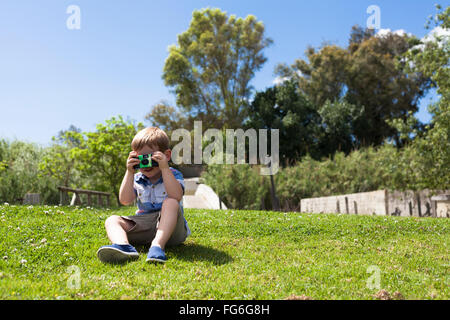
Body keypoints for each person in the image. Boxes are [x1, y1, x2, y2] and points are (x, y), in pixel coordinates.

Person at [96, 127, 190, 264]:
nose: (146, 163)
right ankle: (124, 246)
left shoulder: (173, 174)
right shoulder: (137, 178)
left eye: (152, 157)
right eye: (141, 158)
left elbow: (176, 196)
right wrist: (129, 172)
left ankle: (157, 246)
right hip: (145, 227)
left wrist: (164, 168)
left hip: (172, 231)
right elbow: (125, 200)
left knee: (171, 202)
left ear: (167, 156)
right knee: (112, 220)